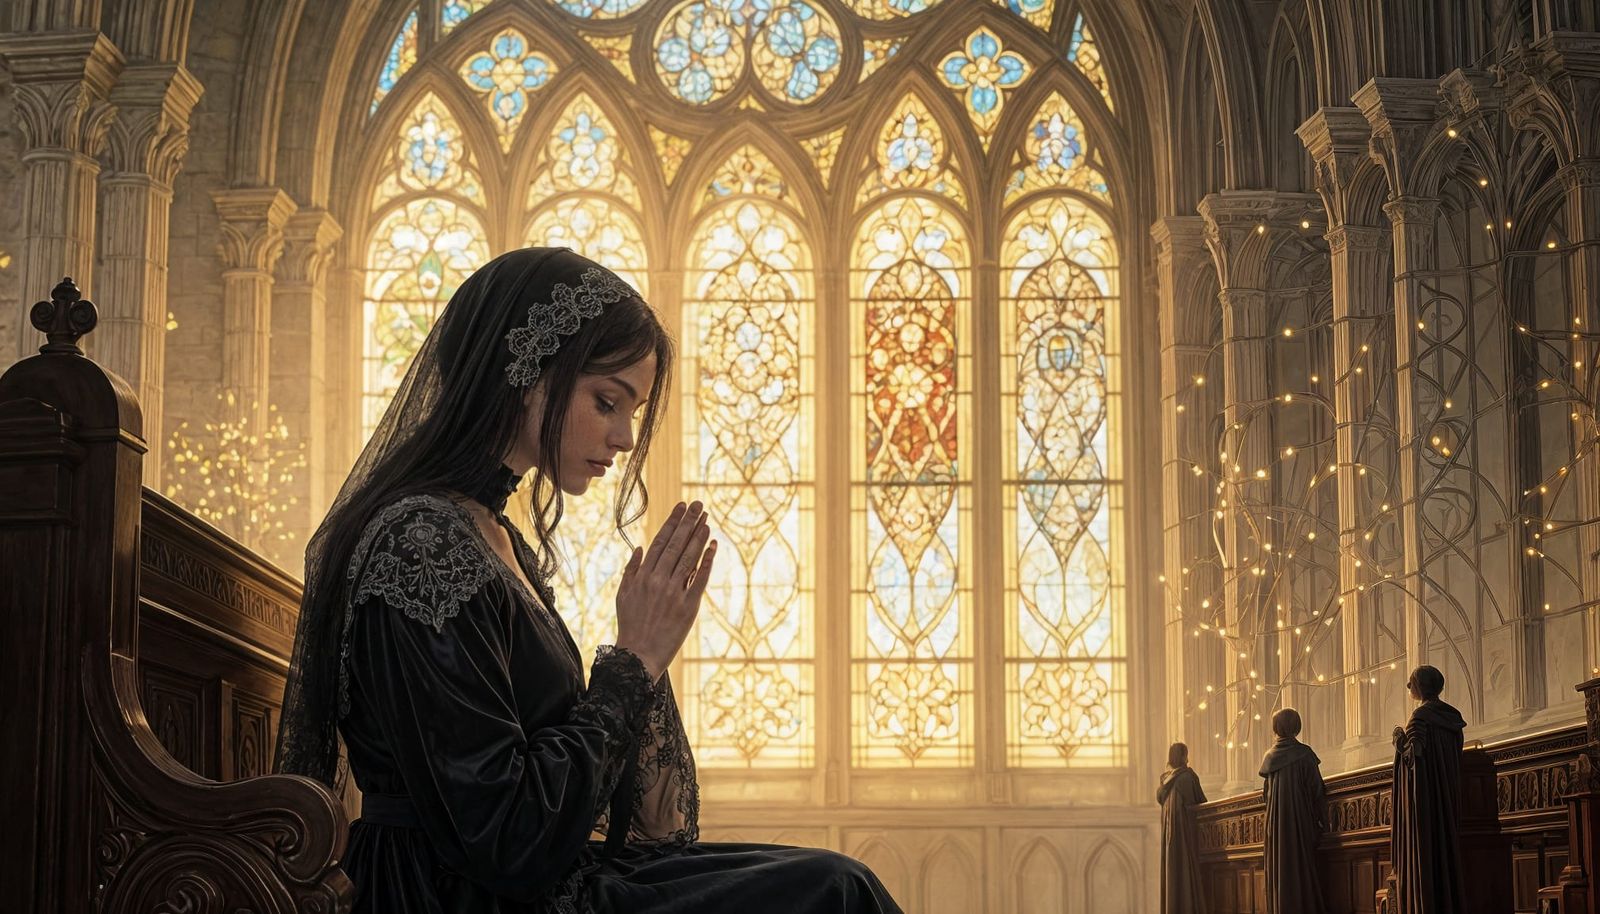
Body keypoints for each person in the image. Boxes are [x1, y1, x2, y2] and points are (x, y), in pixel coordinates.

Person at [274, 248, 901, 912]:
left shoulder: (492, 535)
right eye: (608, 402)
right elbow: (505, 838)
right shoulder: (422, 543)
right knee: (834, 891)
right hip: (455, 895)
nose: (626, 437)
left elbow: (651, 825)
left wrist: (645, 665)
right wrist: (634, 659)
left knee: (831, 879)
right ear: (526, 376)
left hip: (521, 878)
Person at [1390, 664, 1466, 914]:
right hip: (1447, 793)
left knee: (1426, 852)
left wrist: (1399, 739)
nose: (1409, 687)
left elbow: (1415, 755)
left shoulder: (1420, 717)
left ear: (1420, 686)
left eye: (1412, 682)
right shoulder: (1452, 718)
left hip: (1424, 798)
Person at [1259, 708, 1325, 914]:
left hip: (1275, 826)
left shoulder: (1269, 757)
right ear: (1296, 727)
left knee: (1281, 872)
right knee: (1301, 870)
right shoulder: (1304, 754)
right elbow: (1317, 791)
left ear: (1275, 728)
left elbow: (1266, 796)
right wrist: (1322, 823)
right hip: (1299, 823)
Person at [1158, 741, 1208, 914]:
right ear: (1184, 756)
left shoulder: (1165, 781)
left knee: (1173, 873)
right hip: (1185, 834)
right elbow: (1201, 803)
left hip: (1170, 838)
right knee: (1186, 872)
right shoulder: (1187, 777)